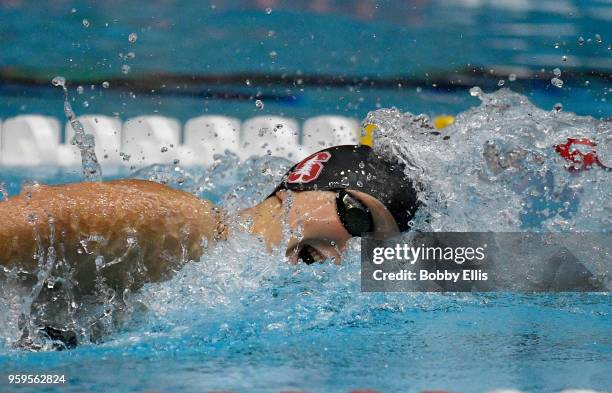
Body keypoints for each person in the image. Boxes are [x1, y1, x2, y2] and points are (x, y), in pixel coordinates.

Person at [0, 144, 419, 299]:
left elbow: (476, 268)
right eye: (356, 219)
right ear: (303, 180)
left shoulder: (248, 286)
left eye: (373, 248)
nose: (349, 251)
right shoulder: (173, 224)